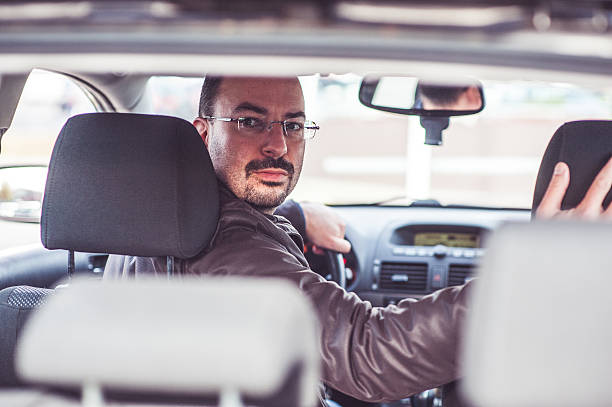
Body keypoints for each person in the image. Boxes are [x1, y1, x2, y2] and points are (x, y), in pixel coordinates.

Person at [104, 75, 612, 402]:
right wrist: (538, 273)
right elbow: (366, 353)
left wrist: (298, 217)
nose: (278, 144)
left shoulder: (147, 235)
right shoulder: (230, 248)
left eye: (295, 125)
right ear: (202, 132)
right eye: (249, 121)